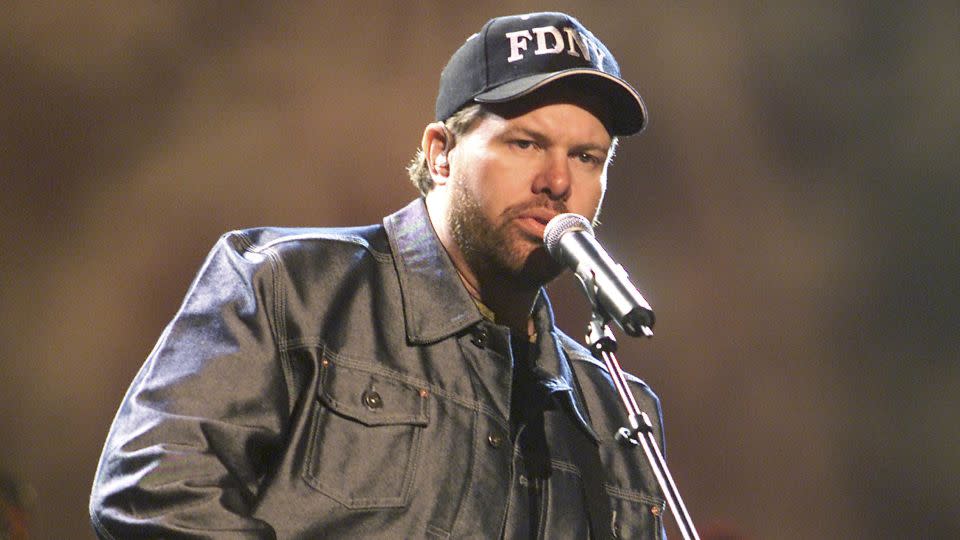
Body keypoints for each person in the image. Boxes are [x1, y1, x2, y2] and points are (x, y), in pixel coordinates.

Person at [90, 11, 667, 539]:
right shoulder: (287, 288)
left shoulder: (617, 411)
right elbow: (153, 495)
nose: (558, 182)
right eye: (526, 142)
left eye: (588, 158)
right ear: (441, 153)